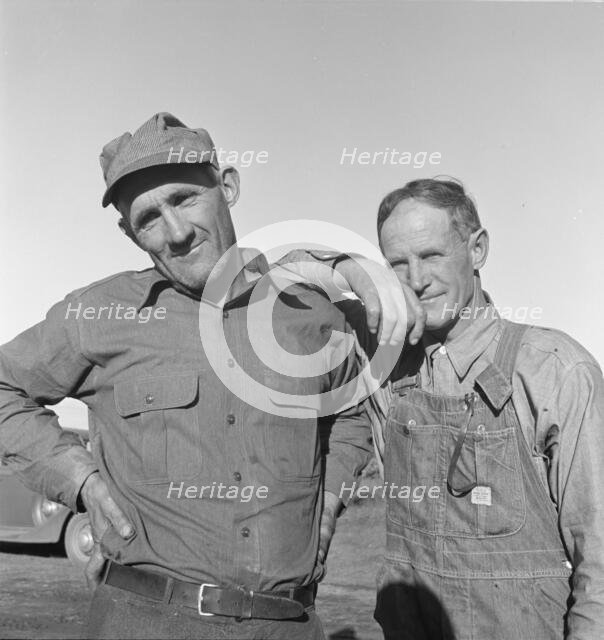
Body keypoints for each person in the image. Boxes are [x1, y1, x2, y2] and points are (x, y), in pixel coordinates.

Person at [0, 112, 376, 640]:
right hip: (143, 621)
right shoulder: (98, 315)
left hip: (287, 625)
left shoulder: (307, 313)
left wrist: (333, 495)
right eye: (148, 218)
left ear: (228, 186)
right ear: (129, 233)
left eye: (184, 199)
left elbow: (350, 411)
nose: (175, 233)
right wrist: (79, 481)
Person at [287, 178, 604, 639]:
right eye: (397, 264)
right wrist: (354, 271)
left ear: (477, 250)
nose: (416, 279)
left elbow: (599, 561)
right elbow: (273, 279)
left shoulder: (555, 370)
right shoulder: (383, 356)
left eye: (432, 255)